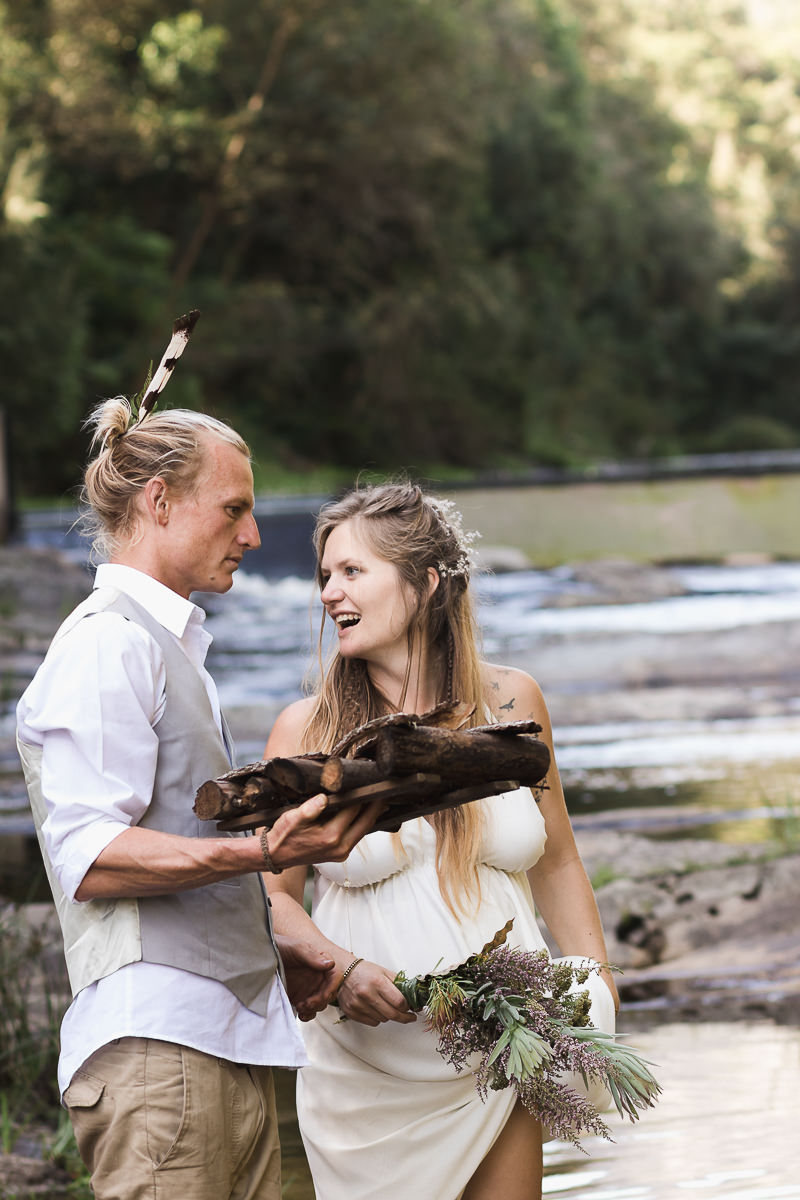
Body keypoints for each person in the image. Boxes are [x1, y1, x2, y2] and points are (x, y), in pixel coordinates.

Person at [15, 399, 381, 1200]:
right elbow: (92, 856)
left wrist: (278, 945)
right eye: (235, 509)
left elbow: (171, 848)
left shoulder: (167, 648)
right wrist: (264, 853)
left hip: (221, 1051)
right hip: (157, 1056)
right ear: (158, 502)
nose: (252, 535)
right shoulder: (107, 644)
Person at [264, 482, 620, 1200]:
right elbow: (269, 899)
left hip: (504, 1041)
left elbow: (557, 859)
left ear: (426, 584)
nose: (331, 592)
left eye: (353, 572)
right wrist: (337, 968)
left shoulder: (514, 703)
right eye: (326, 575)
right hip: (368, 1066)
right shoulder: (306, 732)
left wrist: (598, 983)